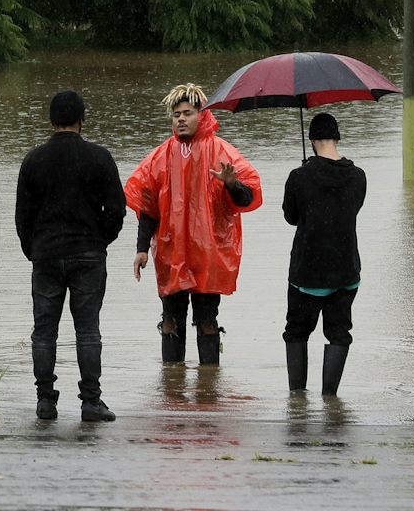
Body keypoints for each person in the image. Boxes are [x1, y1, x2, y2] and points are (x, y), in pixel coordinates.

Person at [123, 83, 262, 366]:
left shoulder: (222, 152)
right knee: (170, 322)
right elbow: (147, 206)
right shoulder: (159, 157)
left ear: (201, 114)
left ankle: (208, 388)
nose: (181, 119)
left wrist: (232, 183)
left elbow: (247, 198)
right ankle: (172, 390)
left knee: (208, 321)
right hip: (171, 252)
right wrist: (140, 249)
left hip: (210, 253)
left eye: (187, 113)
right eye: (176, 115)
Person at [15, 88, 128, 422]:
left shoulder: (33, 160)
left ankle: (45, 401)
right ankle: (91, 401)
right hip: (88, 253)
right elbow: (118, 211)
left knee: (44, 331)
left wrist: (34, 249)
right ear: (82, 119)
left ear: (51, 121)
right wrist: (100, 241)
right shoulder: (100, 158)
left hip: (46, 254)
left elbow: (23, 216)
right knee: (88, 330)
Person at [281, 111, 367, 396]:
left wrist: (305, 175)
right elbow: (351, 210)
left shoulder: (298, 177)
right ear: (337, 137)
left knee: (296, 332)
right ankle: (330, 399)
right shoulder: (358, 177)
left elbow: (291, 217)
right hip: (345, 271)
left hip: (307, 271)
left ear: (313, 140)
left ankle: (297, 398)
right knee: (339, 332)